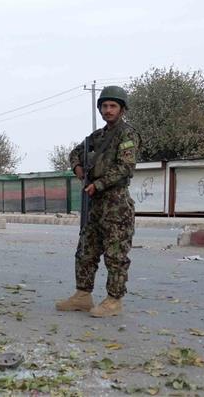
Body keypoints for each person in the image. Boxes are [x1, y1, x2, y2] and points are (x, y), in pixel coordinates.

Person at [56, 86, 140, 318]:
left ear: (122, 109)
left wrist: (99, 184)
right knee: (86, 250)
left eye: (113, 106)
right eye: (104, 106)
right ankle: (83, 296)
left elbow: (125, 167)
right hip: (94, 203)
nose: (108, 110)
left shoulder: (127, 135)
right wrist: (78, 168)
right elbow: (75, 152)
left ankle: (114, 300)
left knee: (116, 254)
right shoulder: (98, 136)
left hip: (116, 203)